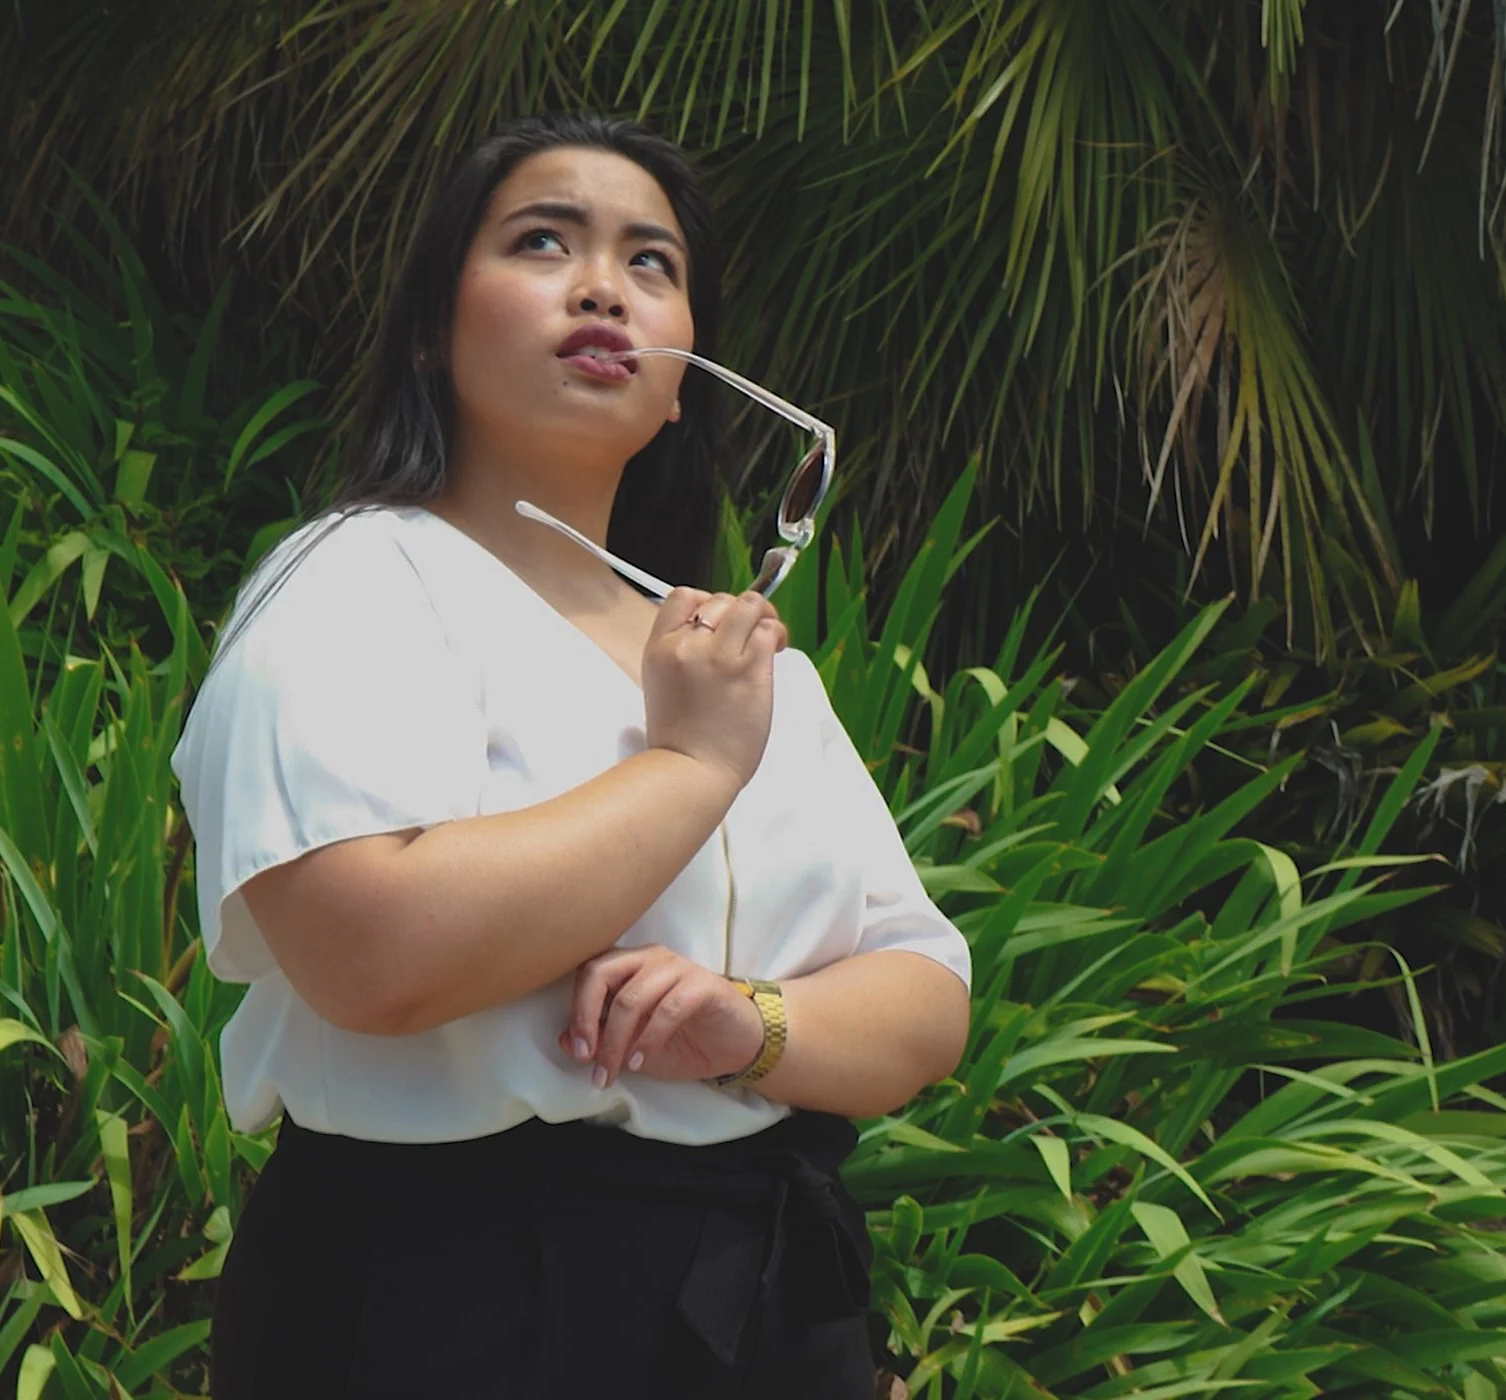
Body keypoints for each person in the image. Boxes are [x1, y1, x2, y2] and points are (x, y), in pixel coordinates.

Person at [172, 112, 973, 1399]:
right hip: (445, 1294)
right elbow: (368, 951)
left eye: (650, 262)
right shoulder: (354, 579)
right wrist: (692, 768)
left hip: (755, 1297)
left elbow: (926, 991)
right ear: (435, 326)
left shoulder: (735, 658)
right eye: (542, 242)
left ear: (681, 375)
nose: (603, 283)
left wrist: (751, 1024)